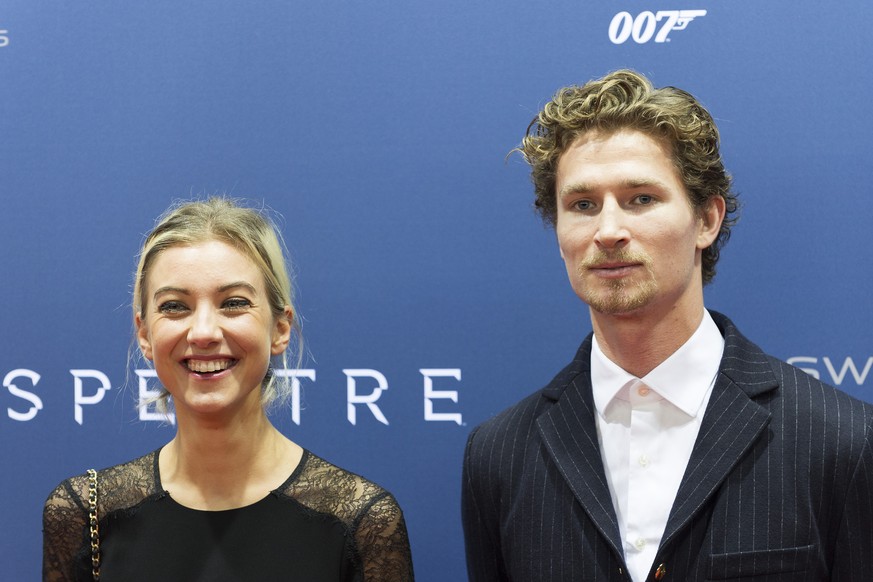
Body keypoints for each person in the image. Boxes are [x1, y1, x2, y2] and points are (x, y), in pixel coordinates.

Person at [461, 70, 873, 581]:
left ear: (706, 220)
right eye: (583, 205)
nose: (609, 231)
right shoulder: (498, 456)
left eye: (641, 199)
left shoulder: (842, 441)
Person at [43, 198, 414, 582]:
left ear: (280, 328)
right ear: (144, 334)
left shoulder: (361, 521)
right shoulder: (85, 512)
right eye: (175, 306)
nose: (203, 332)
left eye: (234, 303)